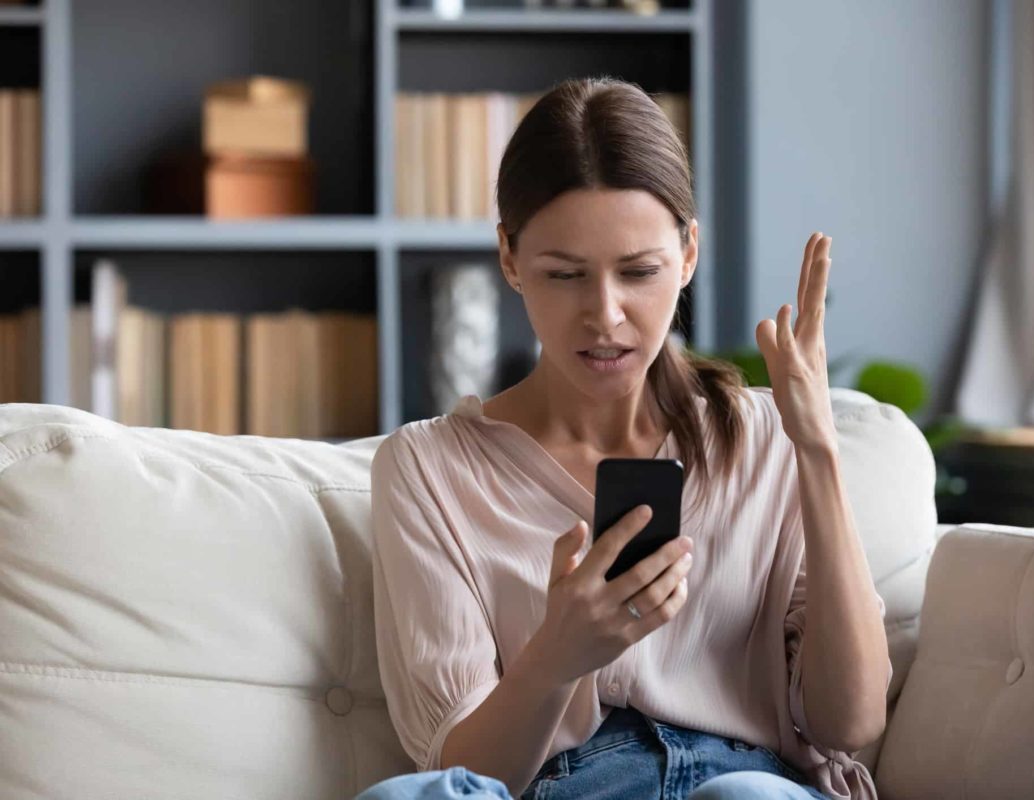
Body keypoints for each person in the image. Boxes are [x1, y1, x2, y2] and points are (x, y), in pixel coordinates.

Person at [362, 76, 892, 800]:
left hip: (742, 782)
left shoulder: (767, 439)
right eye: (565, 274)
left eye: (639, 272)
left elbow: (851, 720)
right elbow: (461, 776)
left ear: (688, 254)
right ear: (510, 259)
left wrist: (819, 452)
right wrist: (556, 657)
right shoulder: (428, 468)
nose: (605, 315)